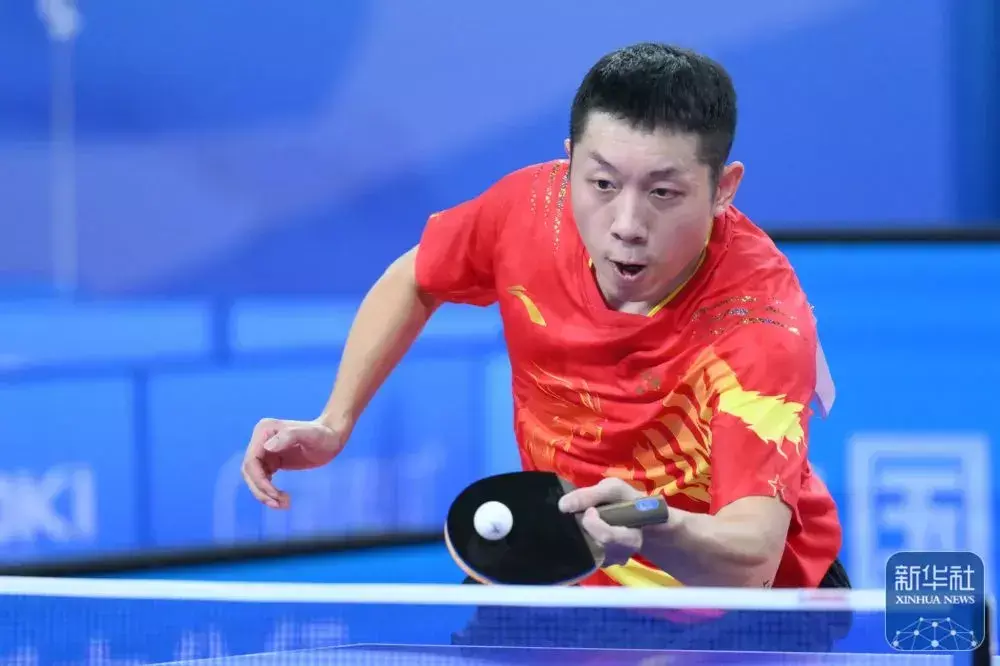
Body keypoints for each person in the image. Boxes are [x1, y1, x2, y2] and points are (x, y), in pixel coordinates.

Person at [242, 42, 848, 599]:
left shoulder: (758, 325)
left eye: (663, 193)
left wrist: (650, 525)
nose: (626, 224)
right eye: (602, 182)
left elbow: (752, 558)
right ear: (569, 163)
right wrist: (334, 421)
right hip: (571, 567)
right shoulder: (529, 211)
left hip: (748, 606)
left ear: (723, 189)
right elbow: (415, 277)